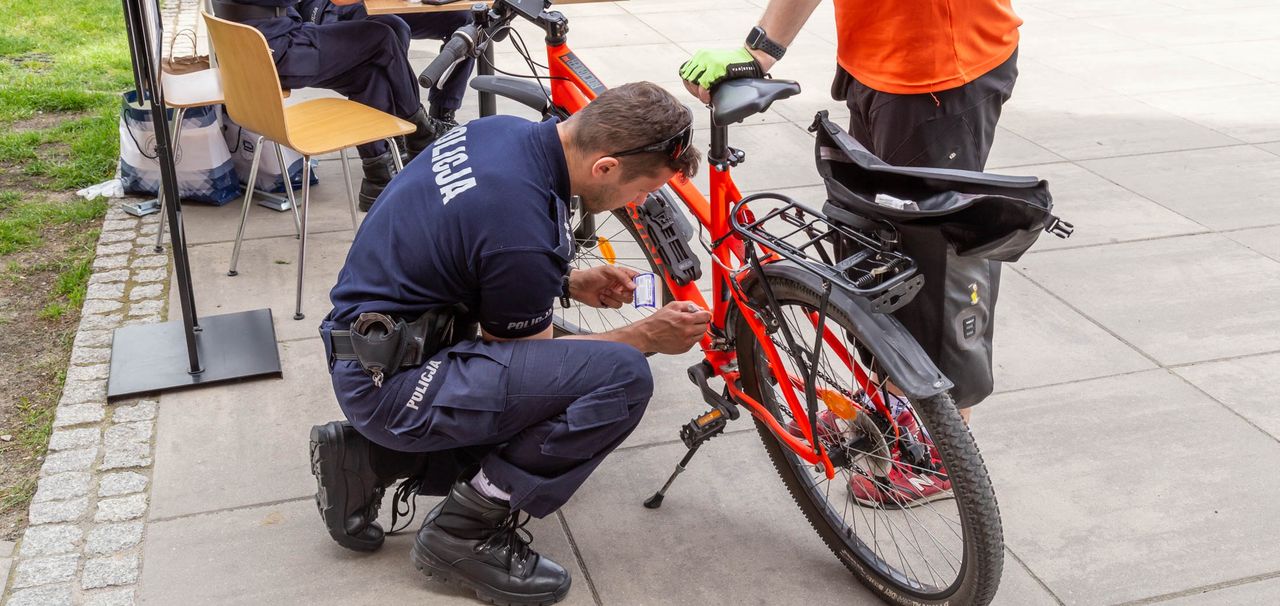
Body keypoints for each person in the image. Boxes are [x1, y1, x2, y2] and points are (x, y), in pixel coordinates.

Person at [310, 82, 708, 605]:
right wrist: (645, 337)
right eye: (645, 188)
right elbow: (530, 366)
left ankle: (369, 460)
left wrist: (558, 280)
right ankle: (463, 533)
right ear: (606, 167)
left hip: (383, 347)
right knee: (620, 378)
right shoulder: (518, 228)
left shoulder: (503, 133)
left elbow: (467, 249)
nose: (643, 201)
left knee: (561, 374)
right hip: (393, 387)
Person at [680, 0, 1021, 506]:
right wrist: (763, 48)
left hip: (938, 72)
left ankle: (940, 451)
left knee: (936, 263)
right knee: (880, 251)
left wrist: (762, 47)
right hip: (879, 61)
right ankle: (894, 403)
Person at [212, 0, 455, 211]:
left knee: (370, 72)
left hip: (266, 48)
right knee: (383, 36)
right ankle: (420, 132)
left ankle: (378, 179)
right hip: (282, 51)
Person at [297, 0, 474, 146]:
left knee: (469, 21)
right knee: (393, 29)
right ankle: (403, 128)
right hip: (328, 6)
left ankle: (442, 116)